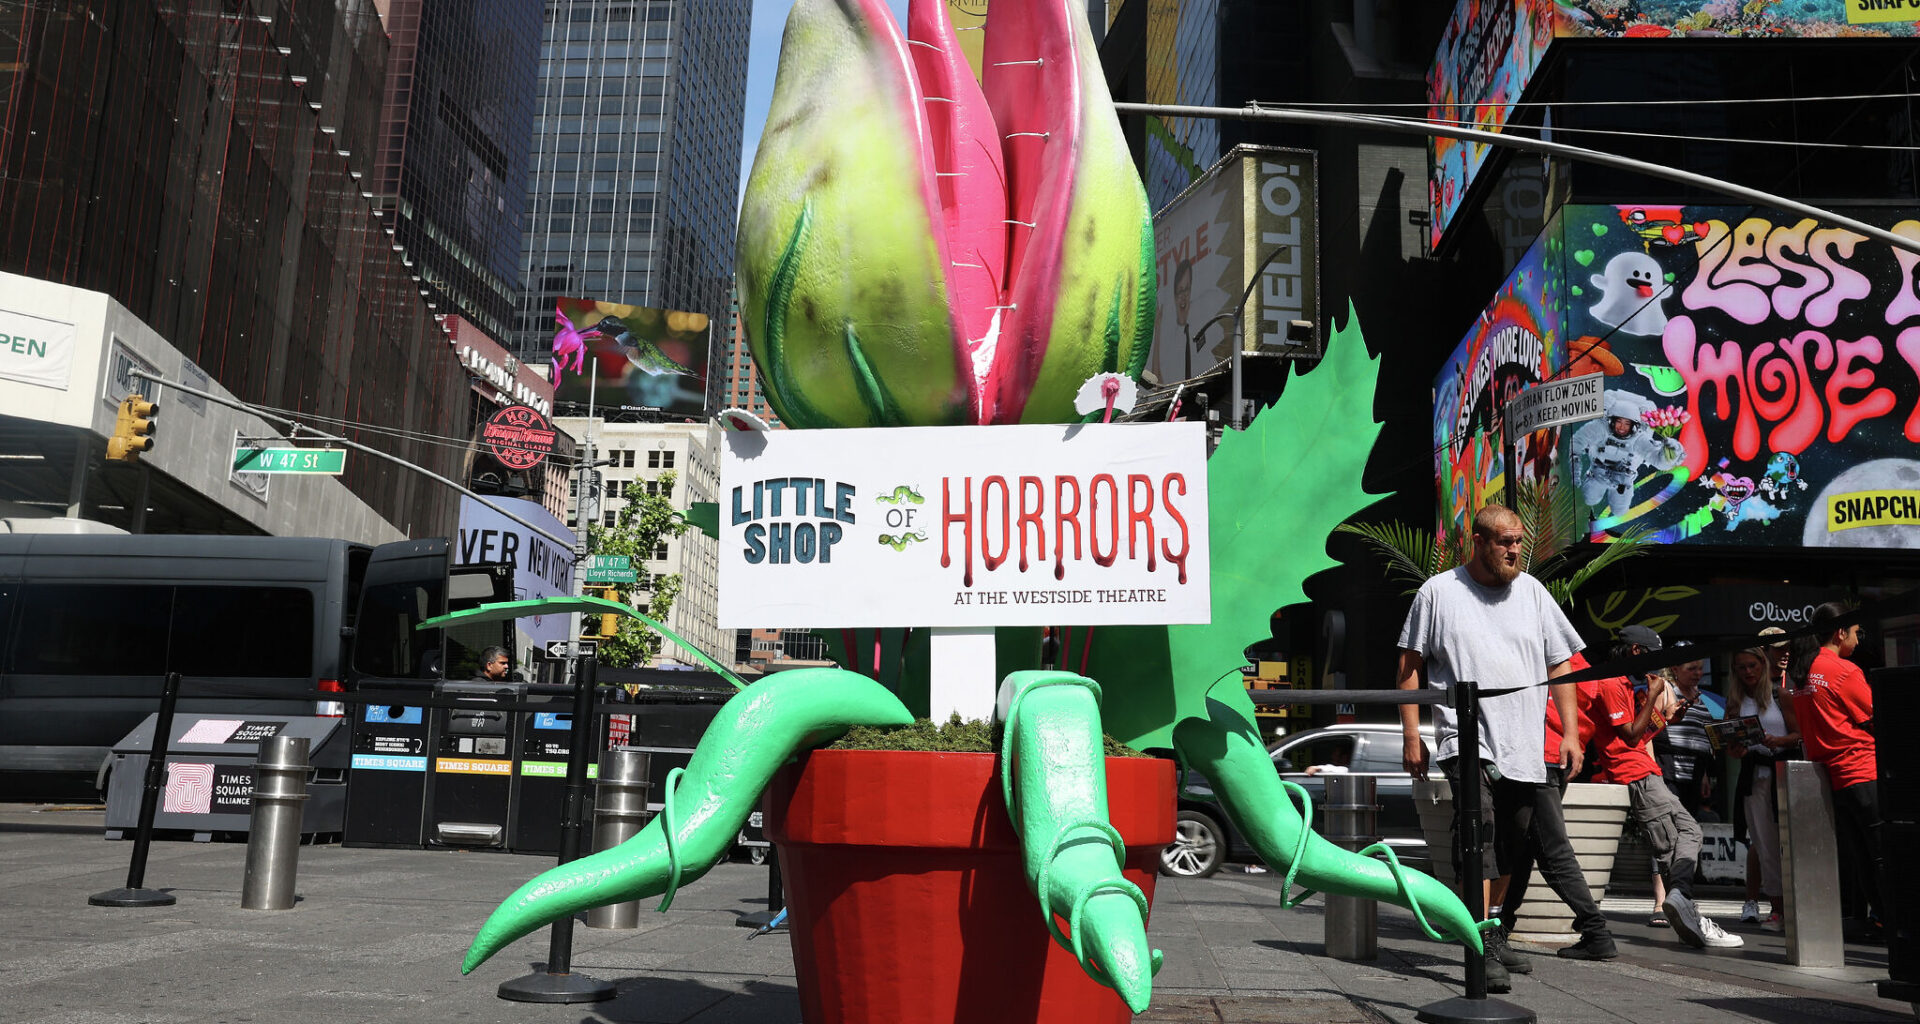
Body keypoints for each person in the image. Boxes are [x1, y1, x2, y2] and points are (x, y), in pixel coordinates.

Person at [1397, 504, 1590, 991]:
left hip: (1523, 744)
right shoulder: (1439, 592)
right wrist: (1412, 735)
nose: (1515, 549)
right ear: (1478, 543)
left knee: (1514, 841)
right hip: (1464, 738)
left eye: (1519, 540)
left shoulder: (1534, 594)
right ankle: (1478, 942)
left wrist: (1569, 732)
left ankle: (1496, 929)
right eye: (1504, 541)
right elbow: (1409, 664)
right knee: (1478, 836)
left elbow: (1562, 664)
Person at [1589, 625, 1743, 948]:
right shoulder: (1613, 683)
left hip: (1645, 772)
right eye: (1655, 658)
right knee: (1681, 842)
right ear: (1635, 652)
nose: (1658, 667)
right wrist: (1656, 696)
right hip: (1638, 777)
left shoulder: (1631, 684)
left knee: (1679, 843)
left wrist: (1667, 718)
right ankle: (1684, 903)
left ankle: (1686, 911)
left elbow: (1640, 735)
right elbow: (1631, 736)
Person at [1496, 650, 1620, 960]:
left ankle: (1596, 931)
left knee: (1550, 850)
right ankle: (1500, 928)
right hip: (1553, 757)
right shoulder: (1576, 663)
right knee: (1524, 846)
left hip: (1536, 757)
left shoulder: (1539, 655)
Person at [1788, 603, 1886, 940]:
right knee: (1882, 853)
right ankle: (1895, 924)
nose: (1858, 641)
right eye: (1856, 632)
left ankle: (1881, 921)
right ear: (1839, 632)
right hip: (1863, 770)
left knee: (1862, 855)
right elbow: (1877, 718)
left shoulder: (1799, 673)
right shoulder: (1844, 670)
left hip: (1832, 779)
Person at [1726, 634, 1799, 932]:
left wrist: (1778, 740)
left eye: (1753, 664)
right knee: (1766, 847)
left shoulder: (1782, 695)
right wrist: (1736, 748)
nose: (1748, 671)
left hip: (1785, 774)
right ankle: (1778, 910)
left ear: (1762, 663)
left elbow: (1800, 734)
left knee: (1791, 844)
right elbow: (1731, 749)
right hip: (1754, 777)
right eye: (1741, 667)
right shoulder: (1736, 701)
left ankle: (1796, 908)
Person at [1653, 649, 1722, 821]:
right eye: (1691, 669)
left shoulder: (1702, 699)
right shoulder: (1665, 691)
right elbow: (1649, 728)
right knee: (1670, 821)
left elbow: (1702, 738)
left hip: (1695, 772)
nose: (1698, 673)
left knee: (1688, 822)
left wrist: (1705, 773)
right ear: (1675, 669)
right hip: (1668, 769)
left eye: (1700, 668)